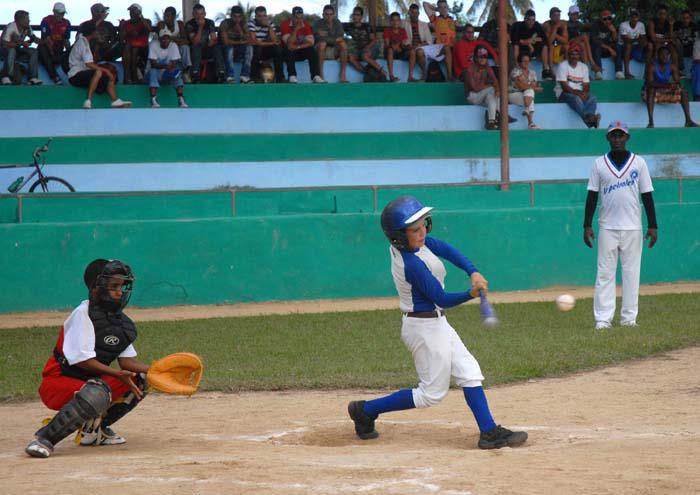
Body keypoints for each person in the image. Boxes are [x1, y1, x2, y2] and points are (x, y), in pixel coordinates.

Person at [347, 196, 528, 450]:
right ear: (399, 235)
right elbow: (440, 298)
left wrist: (472, 270)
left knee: (469, 372)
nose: (423, 232)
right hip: (423, 329)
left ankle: (489, 432)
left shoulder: (417, 244)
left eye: (424, 225)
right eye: (415, 229)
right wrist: (471, 294)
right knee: (430, 394)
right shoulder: (411, 264)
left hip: (437, 324)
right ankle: (365, 410)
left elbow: (446, 249)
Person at [25, 259, 149, 458]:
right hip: (57, 383)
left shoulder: (121, 323)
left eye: (122, 286)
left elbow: (127, 363)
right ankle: (44, 439)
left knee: (140, 379)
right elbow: (83, 361)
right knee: (98, 390)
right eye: (113, 286)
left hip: (89, 384)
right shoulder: (83, 314)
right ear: (96, 288)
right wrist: (117, 374)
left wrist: (157, 369)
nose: (120, 291)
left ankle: (92, 431)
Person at [583, 122, 658, 330]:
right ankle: (603, 319)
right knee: (605, 273)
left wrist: (653, 225)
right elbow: (592, 195)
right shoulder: (599, 164)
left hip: (633, 226)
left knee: (631, 273)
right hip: (607, 226)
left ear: (627, 138)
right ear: (608, 138)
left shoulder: (639, 163)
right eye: (613, 136)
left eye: (621, 135)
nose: (617, 139)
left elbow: (647, 194)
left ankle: (629, 319)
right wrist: (586, 225)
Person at [68, 20, 131, 109]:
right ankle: (88, 100)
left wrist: (108, 72)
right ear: (92, 32)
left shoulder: (83, 39)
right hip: (75, 75)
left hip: (84, 73)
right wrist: (106, 71)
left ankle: (115, 100)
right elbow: (89, 64)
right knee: (99, 72)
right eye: (96, 31)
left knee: (108, 75)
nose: (98, 32)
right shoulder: (83, 43)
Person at [642, 46, 697, 128]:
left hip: (663, 92)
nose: (665, 56)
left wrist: (677, 86)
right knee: (651, 89)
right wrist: (667, 85)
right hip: (648, 94)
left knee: (683, 91)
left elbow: (678, 82)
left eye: (667, 54)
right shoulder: (652, 66)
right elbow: (650, 84)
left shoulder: (672, 67)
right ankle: (651, 122)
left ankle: (688, 121)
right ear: (657, 55)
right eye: (662, 54)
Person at [555, 43, 600, 128]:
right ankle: (590, 119)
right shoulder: (563, 65)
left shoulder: (584, 67)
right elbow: (564, 86)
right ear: (568, 55)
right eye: (572, 54)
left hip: (578, 92)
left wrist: (585, 93)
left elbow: (586, 84)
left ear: (579, 56)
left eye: (576, 54)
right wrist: (578, 94)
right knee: (576, 99)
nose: (574, 57)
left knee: (593, 98)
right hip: (564, 94)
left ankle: (590, 118)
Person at [281, 6, 322, 83]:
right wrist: (296, 29)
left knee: (311, 50)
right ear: (292, 17)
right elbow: (289, 44)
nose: (299, 21)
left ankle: (315, 76)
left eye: (301, 18)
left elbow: (311, 42)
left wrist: (298, 46)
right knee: (288, 50)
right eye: (297, 18)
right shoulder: (285, 24)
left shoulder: (305, 24)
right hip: (287, 53)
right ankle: (292, 76)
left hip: (299, 50)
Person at [148, 29, 188, 108]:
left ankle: (181, 99)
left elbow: (174, 64)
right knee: (153, 71)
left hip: (167, 74)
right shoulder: (153, 44)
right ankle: (153, 99)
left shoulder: (173, 45)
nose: (166, 40)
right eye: (163, 38)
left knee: (177, 74)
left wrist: (169, 68)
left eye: (168, 38)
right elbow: (153, 64)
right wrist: (166, 66)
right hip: (154, 75)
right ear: (159, 39)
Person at [0, 10, 42, 85]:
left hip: (17, 51)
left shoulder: (27, 28)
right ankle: (7, 77)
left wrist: (44, 41)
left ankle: (33, 78)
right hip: (5, 52)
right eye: (27, 19)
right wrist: (22, 43)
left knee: (33, 51)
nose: (29, 21)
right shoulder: (11, 27)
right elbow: (3, 43)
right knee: (11, 50)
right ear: (20, 20)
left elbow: (34, 38)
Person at [186, 3, 225, 83]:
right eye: (197, 14)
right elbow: (195, 42)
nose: (199, 16)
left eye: (201, 14)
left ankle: (221, 73)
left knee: (217, 47)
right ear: (193, 14)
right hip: (195, 49)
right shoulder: (190, 24)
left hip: (207, 47)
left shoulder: (210, 22)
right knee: (197, 48)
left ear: (205, 14)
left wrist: (212, 42)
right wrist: (200, 27)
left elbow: (213, 37)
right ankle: (195, 74)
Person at [464, 46, 499, 130]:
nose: (482, 59)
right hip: (472, 96)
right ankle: (499, 115)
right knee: (491, 90)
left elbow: (495, 81)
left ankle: (491, 122)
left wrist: (497, 90)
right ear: (476, 58)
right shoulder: (470, 69)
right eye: (480, 57)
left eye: (484, 57)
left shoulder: (488, 68)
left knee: (492, 96)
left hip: (482, 96)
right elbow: (475, 88)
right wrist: (492, 86)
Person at [346, 6, 385, 80]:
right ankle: (367, 73)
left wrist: (367, 47)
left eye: (358, 15)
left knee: (364, 56)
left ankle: (383, 72)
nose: (355, 16)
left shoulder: (367, 26)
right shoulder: (349, 27)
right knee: (351, 58)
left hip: (372, 48)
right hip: (359, 51)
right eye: (354, 14)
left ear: (361, 17)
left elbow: (374, 40)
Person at [247, 6, 284, 83]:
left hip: (265, 48)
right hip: (254, 49)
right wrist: (271, 43)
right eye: (259, 16)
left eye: (264, 16)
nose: (262, 18)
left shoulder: (270, 23)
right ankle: (254, 77)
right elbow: (255, 41)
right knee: (257, 48)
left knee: (277, 49)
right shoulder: (251, 23)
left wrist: (269, 27)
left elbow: (276, 40)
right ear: (256, 16)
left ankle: (280, 77)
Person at [510, 9, 549, 80]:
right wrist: (527, 42)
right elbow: (515, 40)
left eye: (533, 20)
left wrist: (532, 40)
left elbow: (544, 39)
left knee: (544, 45)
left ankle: (545, 70)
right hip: (521, 50)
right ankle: (517, 68)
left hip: (533, 50)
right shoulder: (519, 25)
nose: (531, 22)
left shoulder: (536, 25)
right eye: (529, 20)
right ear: (524, 19)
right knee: (515, 45)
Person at [313, 4, 348, 83]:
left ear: (334, 15)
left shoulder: (337, 22)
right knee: (322, 44)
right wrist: (334, 39)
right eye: (327, 14)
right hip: (319, 47)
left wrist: (327, 37)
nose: (329, 16)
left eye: (331, 14)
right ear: (323, 14)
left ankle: (343, 75)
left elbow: (341, 37)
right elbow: (318, 38)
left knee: (343, 45)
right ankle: (321, 75)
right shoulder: (317, 23)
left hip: (334, 47)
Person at [156, 6, 192, 82]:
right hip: (164, 49)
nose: (165, 18)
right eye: (165, 16)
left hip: (176, 47)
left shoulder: (179, 24)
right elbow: (163, 41)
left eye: (168, 16)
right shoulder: (161, 25)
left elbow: (185, 41)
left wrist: (170, 38)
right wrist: (176, 39)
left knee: (185, 47)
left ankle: (186, 70)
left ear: (174, 16)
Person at [39, 2, 71, 85]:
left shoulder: (66, 23)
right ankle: (55, 77)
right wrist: (52, 53)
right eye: (60, 13)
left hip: (58, 49)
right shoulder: (46, 21)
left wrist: (70, 52)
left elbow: (66, 40)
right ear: (54, 11)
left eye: (63, 13)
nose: (61, 16)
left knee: (49, 59)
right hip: (47, 48)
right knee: (42, 48)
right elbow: (47, 39)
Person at [423, 0, 456, 80]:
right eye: (441, 7)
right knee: (447, 48)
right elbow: (425, 4)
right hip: (441, 47)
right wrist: (437, 9)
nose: (443, 9)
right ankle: (450, 75)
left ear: (447, 7)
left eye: (445, 7)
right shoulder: (435, 19)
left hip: (453, 46)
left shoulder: (452, 20)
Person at [509, 52, 543, 129]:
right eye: (524, 61)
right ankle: (530, 123)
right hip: (513, 94)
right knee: (530, 93)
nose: (526, 63)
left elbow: (532, 86)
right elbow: (520, 86)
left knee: (530, 91)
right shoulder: (515, 71)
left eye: (528, 61)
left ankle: (528, 112)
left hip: (526, 95)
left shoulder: (532, 73)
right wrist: (535, 88)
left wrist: (531, 87)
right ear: (519, 62)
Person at [119, 3, 152, 84]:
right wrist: (122, 28)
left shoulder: (146, 21)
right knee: (129, 48)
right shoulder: (126, 23)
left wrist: (140, 16)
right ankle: (128, 77)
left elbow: (149, 29)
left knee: (134, 49)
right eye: (130, 12)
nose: (131, 14)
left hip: (143, 47)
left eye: (134, 12)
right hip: (129, 47)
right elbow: (121, 39)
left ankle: (133, 77)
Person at [567, 5, 602, 79]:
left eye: (576, 14)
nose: (575, 16)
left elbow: (589, 26)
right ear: (569, 14)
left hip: (576, 44)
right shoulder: (566, 24)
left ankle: (585, 72)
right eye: (573, 14)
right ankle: (592, 63)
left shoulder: (578, 24)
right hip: (568, 44)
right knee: (584, 36)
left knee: (583, 44)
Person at [220, 5, 252, 83]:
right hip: (225, 48)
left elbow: (250, 40)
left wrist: (240, 31)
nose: (237, 19)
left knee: (249, 48)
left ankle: (244, 76)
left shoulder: (244, 24)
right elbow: (226, 41)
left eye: (239, 17)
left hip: (239, 47)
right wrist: (241, 42)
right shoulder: (225, 23)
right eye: (235, 17)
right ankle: (230, 76)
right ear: (231, 16)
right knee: (229, 48)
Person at [403, 3, 433, 81]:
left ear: (419, 13)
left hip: (421, 48)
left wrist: (420, 45)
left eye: (416, 13)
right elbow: (402, 38)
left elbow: (429, 40)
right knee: (414, 51)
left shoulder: (423, 25)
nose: (415, 15)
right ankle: (413, 76)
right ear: (409, 12)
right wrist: (408, 45)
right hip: (408, 48)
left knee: (419, 51)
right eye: (413, 13)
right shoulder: (403, 23)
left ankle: (424, 74)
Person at [615, 8, 647, 80]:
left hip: (635, 45)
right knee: (628, 45)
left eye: (636, 16)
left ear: (638, 17)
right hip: (622, 46)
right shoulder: (623, 25)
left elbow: (643, 38)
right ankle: (627, 73)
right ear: (629, 17)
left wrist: (641, 41)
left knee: (648, 45)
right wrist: (638, 39)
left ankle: (647, 71)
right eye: (633, 16)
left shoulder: (641, 25)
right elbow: (626, 40)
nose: (634, 18)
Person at [646, 4, 681, 71]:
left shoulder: (667, 23)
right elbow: (653, 39)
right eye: (660, 13)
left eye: (664, 14)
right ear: (657, 14)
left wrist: (671, 25)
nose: (662, 16)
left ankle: (676, 70)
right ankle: (652, 70)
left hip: (663, 42)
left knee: (673, 48)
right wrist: (668, 40)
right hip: (653, 43)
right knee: (657, 45)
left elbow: (670, 37)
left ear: (666, 14)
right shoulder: (652, 22)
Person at [383, 12, 413, 82]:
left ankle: (410, 77)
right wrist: (395, 46)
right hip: (389, 52)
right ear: (391, 22)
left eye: (397, 20)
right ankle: (391, 76)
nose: (395, 22)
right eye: (393, 20)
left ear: (400, 21)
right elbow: (387, 44)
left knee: (412, 51)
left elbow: (403, 43)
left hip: (400, 51)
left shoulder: (402, 30)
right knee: (390, 49)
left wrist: (398, 45)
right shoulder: (387, 30)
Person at [590, 10, 619, 80]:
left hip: (607, 48)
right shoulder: (595, 25)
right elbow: (595, 41)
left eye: (609, 18)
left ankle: (619, 71)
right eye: (605, 19)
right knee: (596, 48)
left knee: (618, 47)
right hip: (599, 48)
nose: (607, 21)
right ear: (601, 19)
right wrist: (609, 49)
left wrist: (614, 32)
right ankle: (598, 73)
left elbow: (615, 40)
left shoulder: (612, 25)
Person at [543, 7, 568, 79]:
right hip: (547, 50)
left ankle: (567, 71)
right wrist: (555, 28)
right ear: (550, 16)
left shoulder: (563, 23)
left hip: (559, 48)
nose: (557, 18)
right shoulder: (546, 25)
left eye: (558, 15)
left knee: (566, 47)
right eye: (555, 16)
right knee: (551, 46)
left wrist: (555, 35)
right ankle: (551, 71)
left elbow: (565, 40)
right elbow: (549, 41)